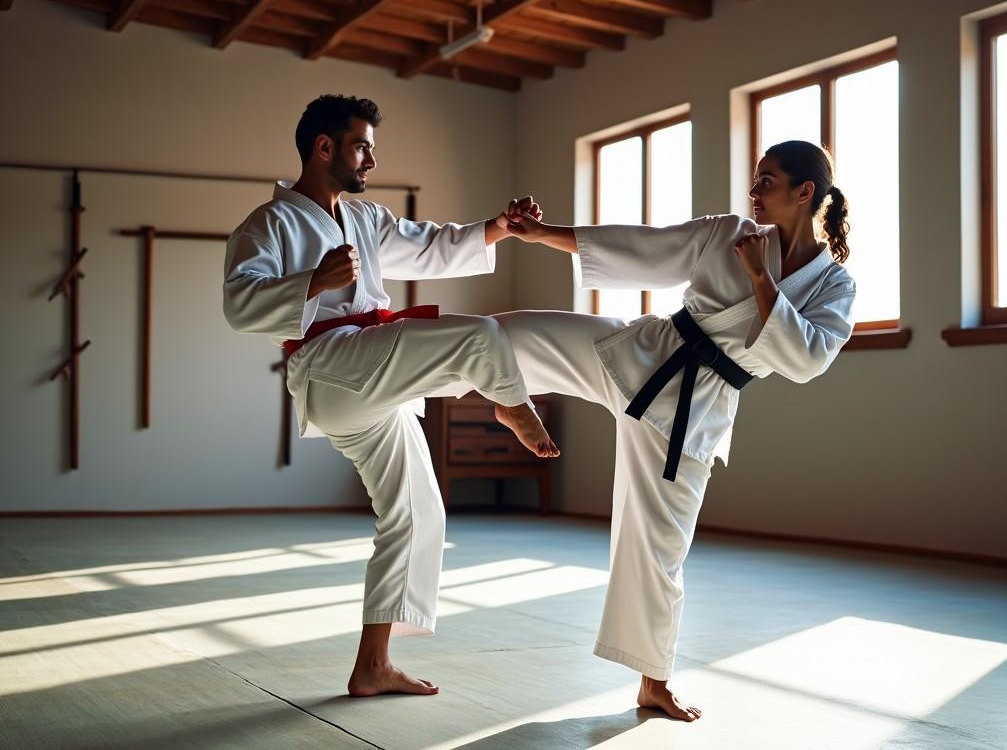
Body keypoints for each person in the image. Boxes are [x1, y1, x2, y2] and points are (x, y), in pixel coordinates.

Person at [496, 140, 857, 721]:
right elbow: (642, 245)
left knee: (658, 547)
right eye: (756, 178)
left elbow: (806, 361)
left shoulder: (833, 286)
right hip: (643, 351)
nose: (754, 190)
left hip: (695, 409)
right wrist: (543, 234)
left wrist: (761, 280)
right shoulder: (730, 232)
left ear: (804, 192)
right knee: (513, 331)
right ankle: (497, 392)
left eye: (767, 180)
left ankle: (653, 683)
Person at [223, 94, 557, 699]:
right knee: (478, 335)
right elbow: (238, 306)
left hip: (370, 377)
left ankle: (372, 665)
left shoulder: (365, 218)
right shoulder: (268, 224)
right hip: (329, 366)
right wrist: (312, 282)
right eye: (361, 146)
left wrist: (499, 229)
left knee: (417, 511)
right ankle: (509, 401)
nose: (371, 159)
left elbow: (431, 244)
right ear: (324, 147)